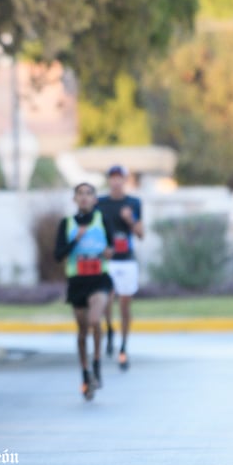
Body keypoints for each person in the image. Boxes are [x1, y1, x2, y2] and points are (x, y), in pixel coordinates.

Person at [54, 182, 114, 400]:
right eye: (80, 194)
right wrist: (75, 240)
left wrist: (110, 252)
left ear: (95, 199)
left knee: (94, 320)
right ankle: (85, 372)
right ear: (74, 199)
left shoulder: (102, 220)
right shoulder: (67, 224)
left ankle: (97, 362)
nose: (84, 197)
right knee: (82, 332)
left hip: (99, 279)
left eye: (89, 193)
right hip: (77, 280)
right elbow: (58, 255)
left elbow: (112, 246)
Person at [97, 165, 143, 371]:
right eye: (112, 178)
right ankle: (109, 330)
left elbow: (141, 234)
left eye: (120, 178)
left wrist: (129, 219)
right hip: (108, 260)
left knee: (125, 305)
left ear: (125, 180)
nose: (116, 181)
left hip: (127, 259)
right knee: (106, 300)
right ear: (108, 180)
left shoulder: (133, 203)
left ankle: (123, 347)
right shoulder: (100, 203)